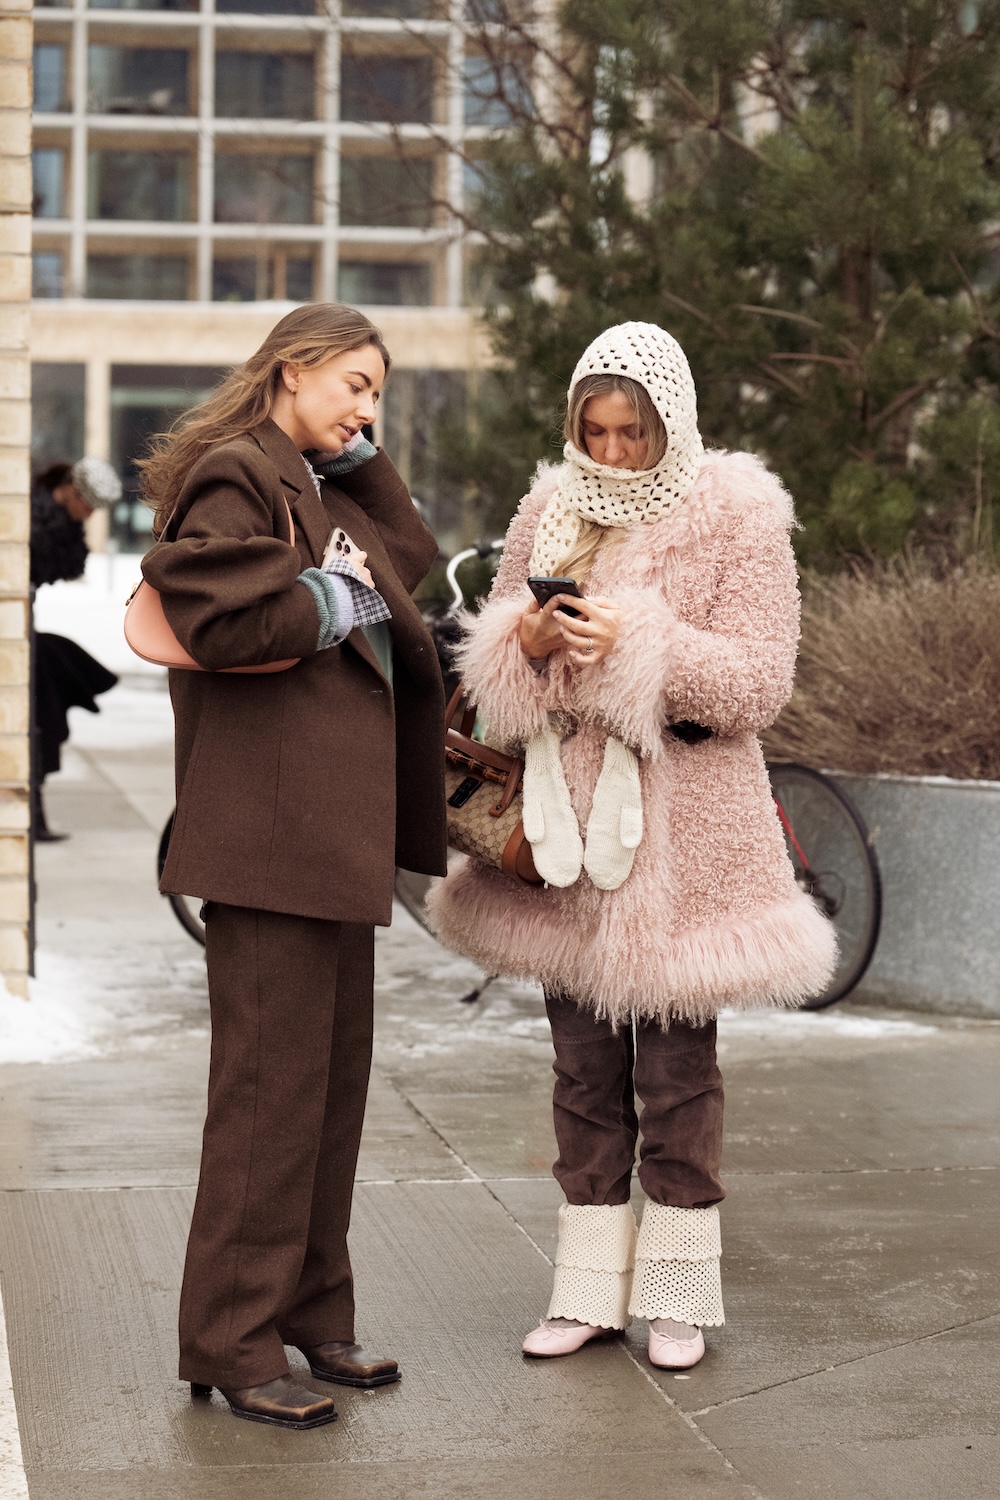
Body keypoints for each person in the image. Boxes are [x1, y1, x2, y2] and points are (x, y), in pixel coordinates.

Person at [428, 322, 836, 1370]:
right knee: (581, 1073)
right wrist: (522, 644)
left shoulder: (738, 512)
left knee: (679, 1077)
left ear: (672, 424)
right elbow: (495, 677)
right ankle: (586, 1291)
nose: (609, 453)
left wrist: (640, 645)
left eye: (630, 433)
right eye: (594, 431)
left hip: (684, 843)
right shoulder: (547, 508)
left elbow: (758, 682)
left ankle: (677, 1297)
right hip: (565, 840)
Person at [138, 304, 446, 1429]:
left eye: (378, 394)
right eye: (354, 384)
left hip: (324, 842)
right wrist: (327, 598)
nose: (368, 406)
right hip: (270, 842)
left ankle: (311, 1313)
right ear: (292, 368)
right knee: (267, 1101)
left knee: (326, 1097)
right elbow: (218, 617)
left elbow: (404, 567)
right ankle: (231, 1339)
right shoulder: (238, 471)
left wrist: (359, 471)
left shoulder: (310, 480)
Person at [30, 458, 121, 840]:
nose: (89, 513)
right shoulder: (34, 516)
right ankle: (33, 815)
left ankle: (34, 814)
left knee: (46, 699)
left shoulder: (62, 524)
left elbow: (70, 567)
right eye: (88, 504)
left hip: (24, 625)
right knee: (45, 699)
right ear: (70, 490)